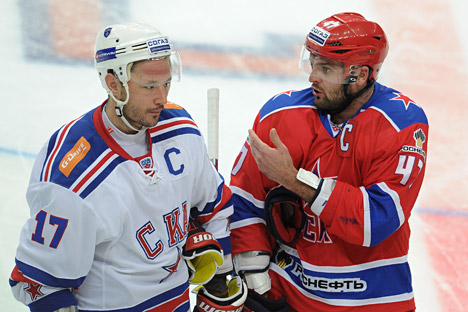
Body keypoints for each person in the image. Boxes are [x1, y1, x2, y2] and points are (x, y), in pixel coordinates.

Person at [9, 22, 246, 312]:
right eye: (149, 86)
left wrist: (220, 278)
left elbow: (213, 205)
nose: (162, 97)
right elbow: (39, 284)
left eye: (166, 83)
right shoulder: (73, 172)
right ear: (113, 84)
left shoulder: (180, 127)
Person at [229, 12, 428, 312]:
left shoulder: (402, 124)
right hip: (288, 292)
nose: (312, 77)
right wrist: (252, 270)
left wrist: (294, 180)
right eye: (312, 63)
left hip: (376, 299)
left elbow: (375, 221)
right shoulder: (279, 115)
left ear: (360, 75)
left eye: (326, 68)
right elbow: (246, 196)